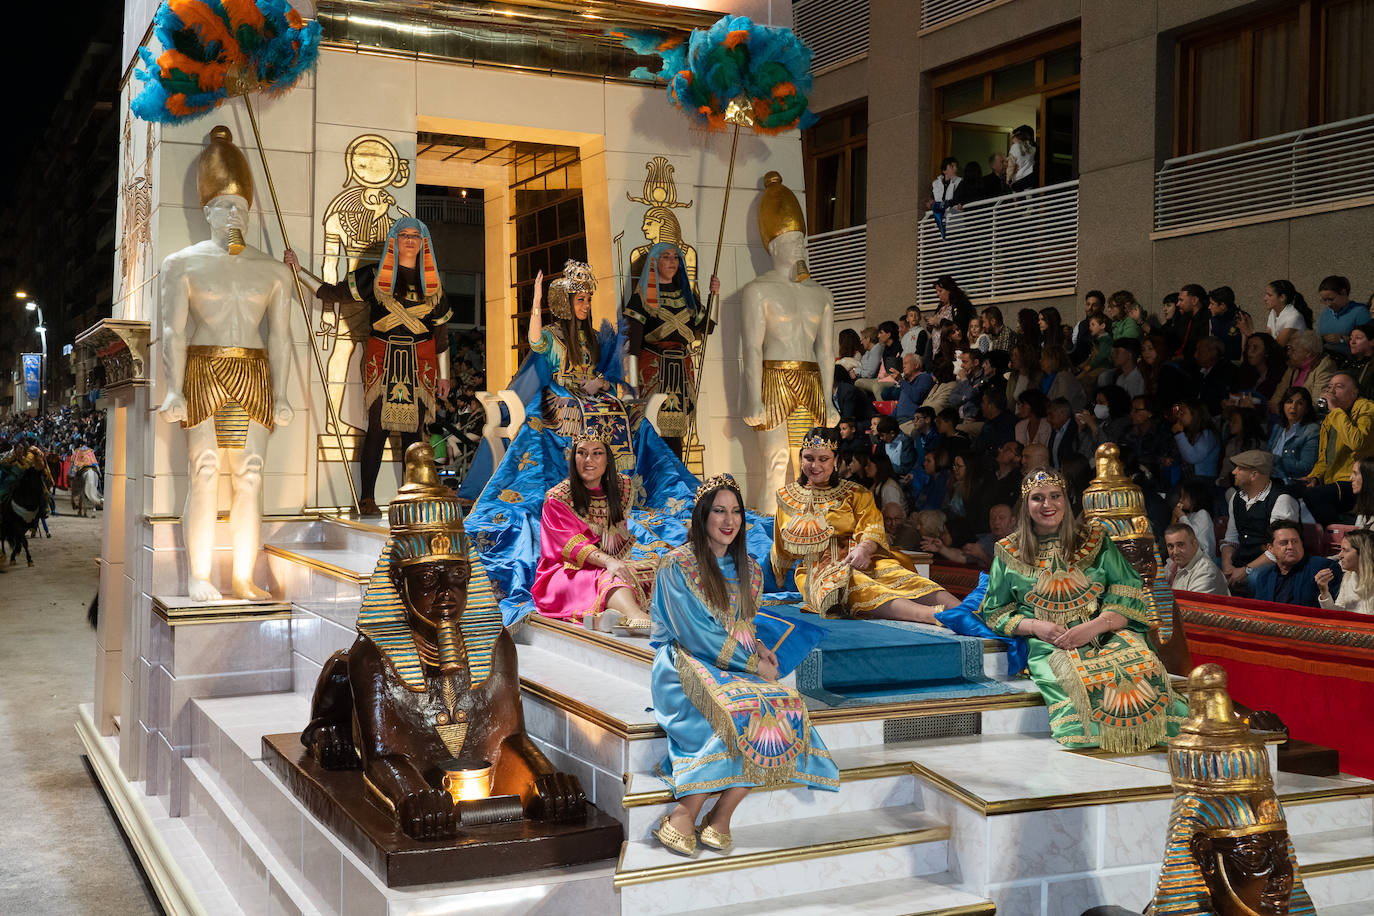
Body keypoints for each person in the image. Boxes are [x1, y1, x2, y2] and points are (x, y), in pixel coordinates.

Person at [649, 474, 838, 856]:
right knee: (739, 710)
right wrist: (752, 663)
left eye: (735, 511)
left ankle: (722, 813)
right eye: (719, 511)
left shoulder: (749, 568)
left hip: (738, 662)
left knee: (784, 705)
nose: (729, 520)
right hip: (684, 661)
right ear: (702, 516)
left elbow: (743, 623)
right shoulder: (675, 565)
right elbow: (697, 634)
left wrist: (761, 649)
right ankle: (685, 812)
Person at [163, 127, 296, 600]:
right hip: (203, 371)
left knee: (250, 474)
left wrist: (282, 393)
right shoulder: (182, 264)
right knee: (204, 470)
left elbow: (279, 335)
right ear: (207, 211)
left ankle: (243, 576)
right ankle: (199, 576)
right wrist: (173, 388)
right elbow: (173, 330)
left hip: (254, 374)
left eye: (240, 207)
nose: (234, 214)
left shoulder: (274, 271)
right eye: (224, 206)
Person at [978, 467, 1188, 751]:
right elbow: (995, 611)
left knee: (1137, 663)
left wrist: (1096, 626)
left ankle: (1154, 731)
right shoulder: (1007, 551)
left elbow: (1127, 588)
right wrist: (1036, 627)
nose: (1048, 504)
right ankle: (1098, 737)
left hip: (1105, 631)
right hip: (1052, 642)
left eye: (1055, 496)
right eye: (1038, 498)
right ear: (1026, 505)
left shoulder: (1095, 540)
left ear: (1065, 500)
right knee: (1075, 679)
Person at [287, 216, 450, 517]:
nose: (410, 240)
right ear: (395, 241)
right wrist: (299, 271)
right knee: (377, 429)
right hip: (383, 360)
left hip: (420, 364)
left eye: (415, 235)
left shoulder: (433, 284)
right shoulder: (374, 275)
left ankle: (412, 498)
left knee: (414, 434)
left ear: (423, 242)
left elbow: (440, 334)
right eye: (404, 235)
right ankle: (367, 499)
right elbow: (331, 293)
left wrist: (445, 375)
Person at [770, 428, 960, 623]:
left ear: (835, 460)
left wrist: (864, 549)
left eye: (823, 459)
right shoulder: (787, 498)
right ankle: (933, 616)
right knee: (854, 583)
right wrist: (778, 579)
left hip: (861, 555)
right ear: (801, 458)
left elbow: (871, 526)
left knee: (895, 572)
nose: (815, 465)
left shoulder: (855, 492)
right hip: (817, 569)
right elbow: (780, 548)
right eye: (809, 458)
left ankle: (964, 611)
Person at [740, 172, 837, 515]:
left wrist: (829, 399)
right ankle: (769, 533)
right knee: (776, 460)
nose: (799, 247)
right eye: (791, 240)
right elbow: (752, 347)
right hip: (774, 378)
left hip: (811, 379)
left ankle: (810, 530)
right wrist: (753, 397)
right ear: (773, 246)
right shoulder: (758, 291)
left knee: (812, 465)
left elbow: (826, 351)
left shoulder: (822, 294)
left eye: (801, 240)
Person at [533, 427, 654, 630]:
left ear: (607, 459)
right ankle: (637, 617)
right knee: (609, 576)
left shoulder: (622, 486)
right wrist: (609, 562)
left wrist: (615, 562)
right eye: (582, 453)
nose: (589, 460)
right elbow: (573, 546)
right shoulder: (557, 498)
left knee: (650, 568)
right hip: (565, 571)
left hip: (608, 562)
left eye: (597, 453)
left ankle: (606, 617)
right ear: (574, 458)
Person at [623, 242, 718, 458]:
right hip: (653, 371)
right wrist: (632, 384)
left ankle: (676, 474)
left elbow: (709, 327)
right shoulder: (641, 298)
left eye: (675, 257)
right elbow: (633, 345)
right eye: (666, 257)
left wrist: (715, 295)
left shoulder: (687, 297)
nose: (672, 262)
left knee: (676, 432)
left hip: (681, 373)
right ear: (654, 262)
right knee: (653, 430)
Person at [1298, 370, 1374, 524]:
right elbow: (1324, 459)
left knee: (1316, 496)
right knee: (1287, 493)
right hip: (1332, 482)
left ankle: (1341, 534)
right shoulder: (1330, 418)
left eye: (1339, 387)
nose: (1331, 391)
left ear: (1354, 392)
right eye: (1329, 387)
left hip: (1358, 480)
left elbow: (1356, 442)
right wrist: (1315, 477)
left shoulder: (1367, 408)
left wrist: (1335, 410)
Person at [1219, 449, 1300, 592]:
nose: (1233, 472)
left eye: (1239, 468)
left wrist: (1246, 570)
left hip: (1274, 565)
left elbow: (1280, 550)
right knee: (1209, 567)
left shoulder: (1282, 500)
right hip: (1243, 561)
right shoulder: (1236, 498)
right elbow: (1231, 539)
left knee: (1255, 578)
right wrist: (1227, 566)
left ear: (1254, 475)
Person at [1250, 519, 1340, 608]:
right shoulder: (1264, 577)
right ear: (1270, 548)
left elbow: (1334, 609)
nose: (1290, 547)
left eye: (1295, 541)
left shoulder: (1323, 567)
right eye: (1284, 543)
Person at [1267, 329, 1334, 416]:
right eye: (1288, 349)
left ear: (1308, 353)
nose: (1289, 353)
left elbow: (1317, 403)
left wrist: (1287, 411)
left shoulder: (1324, 367)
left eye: (1292, 349)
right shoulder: (1293, 366)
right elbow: (1278, 394)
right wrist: (1274, 405)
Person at [1317, 528, 1374, 615]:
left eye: (1345, 550)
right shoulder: (1348, 577)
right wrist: (1324, 592)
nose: (1340, 555)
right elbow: (1337, 615)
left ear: (1363, 553)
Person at [1164, 523, 1229, 595]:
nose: (1175, 552)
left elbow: (1189, 602)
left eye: (1180, 545)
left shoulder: (1206, 572)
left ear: (1195, 544)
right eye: (1170, 546)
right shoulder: (1172, 563)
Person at [1315, 275, 1369, 357]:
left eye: (1331, 299)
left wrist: (1342, 339)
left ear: (1343, 293)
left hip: (1350, 359)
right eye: (1324, 300)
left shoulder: (1360, 312)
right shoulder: (1325, 313)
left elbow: (1369, 340)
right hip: (1326, 357)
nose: (1328, 304)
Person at [1172, 399, 1220, 481]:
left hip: (1203, 481)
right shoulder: (1189, 432)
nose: (1178, 416)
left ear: (1195, 414)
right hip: (1190, 479)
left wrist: (1178, 434)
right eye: (1178, 412)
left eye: (1182, 413)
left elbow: (1193, 457)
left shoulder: (1208, 435)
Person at [1259, 278, 1311, 349]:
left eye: (1269, 295)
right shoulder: (1273, 312)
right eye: (1266, 294)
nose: (1265, 298)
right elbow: (1267, 339)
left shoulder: (1293, 317)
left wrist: (1249, 331)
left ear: (1282, 297)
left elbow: (1277, 347)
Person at [1172, 284, 1210, 363]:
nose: (1177, 304)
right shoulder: (1185, 318)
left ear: (1194, 300)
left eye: (1181, 300)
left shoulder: (1206, 320)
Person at [1205, 286, 1242, 361]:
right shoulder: (1211, 316)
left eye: (1212, 304)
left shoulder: (1240, 319)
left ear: (1222, 306)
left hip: (1234, 361)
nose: (1209, 307)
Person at [1045, 397, 1078, 469]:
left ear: (1063, 413)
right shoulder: (1055, 429)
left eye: (1051, 414)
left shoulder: (1077, 429)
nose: (1047, 419)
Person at [1007, 124, 1038, 191]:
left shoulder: (1038, 151)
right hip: (1027, 183)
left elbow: (1011, 166)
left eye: (1016, 136)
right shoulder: (1034, 149)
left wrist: (1009, 180)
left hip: (1022, 181)